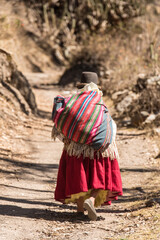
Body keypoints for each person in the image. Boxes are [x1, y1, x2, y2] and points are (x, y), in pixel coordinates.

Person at [51, 72, 122, 221]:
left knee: (79, 175)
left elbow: (59, 125)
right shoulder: (99, 104)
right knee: (97, 173)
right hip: (97, 149)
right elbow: (110, 128)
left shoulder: (72, 103)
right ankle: (92, 200)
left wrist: (68, 140)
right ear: (96, 87)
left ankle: (79, 210)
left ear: (81, 86)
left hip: (75, 148)